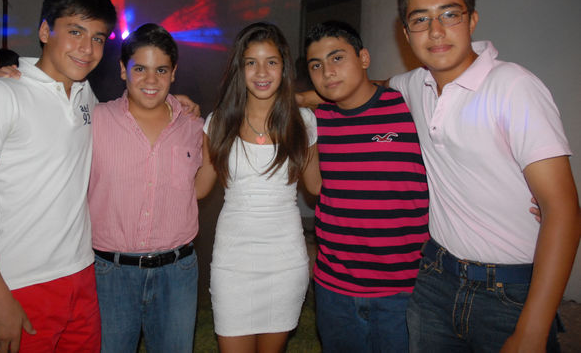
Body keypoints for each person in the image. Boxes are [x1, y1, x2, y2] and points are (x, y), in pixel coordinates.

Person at [390, 0, 580, 352]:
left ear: (472, 20)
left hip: (510, 292)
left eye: (449, 14)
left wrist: (532, 331)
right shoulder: (412, 85)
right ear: (407, 34)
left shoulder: (513, 87)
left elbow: (562, 210)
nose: (436, 31)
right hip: (435, 280)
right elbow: (371, 87)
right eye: (421, 20)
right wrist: (308, 95)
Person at [0, 0, 117, 353]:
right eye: (75, 32)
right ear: (44, 31)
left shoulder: (85, 94)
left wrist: (175, 105)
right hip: (17, 283)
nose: (88, 49)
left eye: (98, 38)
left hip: (81, 275)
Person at [303, 21, 429, 352]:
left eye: (337, 58)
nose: (327, 72)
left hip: (405, 289)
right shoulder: (316, 120)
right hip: (334, 287)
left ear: (363, 58)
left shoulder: (409, 107)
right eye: (316, 65)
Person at [195, 22, 321, 352]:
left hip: (285, 260)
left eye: (271, 62)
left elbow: (316, 186)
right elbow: (198, 189)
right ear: (240, 69)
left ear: (284, 67)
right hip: (233, 259)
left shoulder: (304, 121)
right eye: (251, 62)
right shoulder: (218, 121)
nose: (261, 72)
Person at [88, 23, 204, 352]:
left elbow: (197, 190)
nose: (151, 80)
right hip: (110, 273)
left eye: (161, 70)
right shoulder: (95, 120)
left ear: (173, 73)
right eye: (140, 69)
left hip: (177, 272)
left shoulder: (194, 126)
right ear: (122, 70)